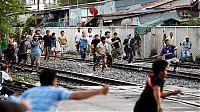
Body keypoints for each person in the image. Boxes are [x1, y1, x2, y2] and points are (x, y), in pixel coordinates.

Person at [19, 69, 109, 112]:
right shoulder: (56, 91)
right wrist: (99, 91)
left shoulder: (29, 92)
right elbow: (76, 96)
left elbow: (18, 104)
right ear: (54, 81)